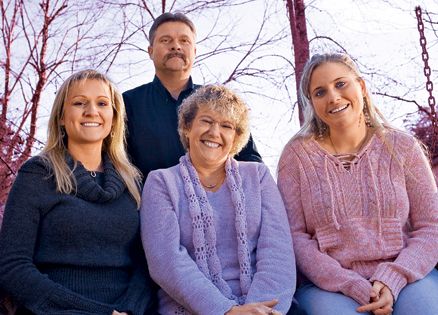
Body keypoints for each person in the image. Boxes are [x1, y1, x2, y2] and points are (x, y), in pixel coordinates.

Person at [277, 52, 438, 315]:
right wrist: (349, 283)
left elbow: (432, 226)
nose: (333, 97)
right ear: (312, 103)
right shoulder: (296, 157)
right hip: (331, 285)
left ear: (360, 86)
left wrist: (392, 277)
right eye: (320, 92)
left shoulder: (402, 146)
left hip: (407, 274)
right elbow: (296, 237)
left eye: (341, 84)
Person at [0, 70, 155, 314]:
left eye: (102, 103)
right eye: (79, 102)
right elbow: (12, 265)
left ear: (114, 118)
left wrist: (130, 310)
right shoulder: (38, 175)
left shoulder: (133, 182)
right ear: (62, 117)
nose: (91, 111)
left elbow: (146, 264)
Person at [141, 85, 296, 315]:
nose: (215, 132)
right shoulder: (161, 182)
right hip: (190, 308)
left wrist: (260, 309)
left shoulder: (258, 177)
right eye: (206, 121)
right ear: (187, 127)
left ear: (237, 137)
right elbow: (167, 262)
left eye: (226, 126)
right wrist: (226, 311)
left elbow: (278, 253)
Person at [122, 12, 262, 180]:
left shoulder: (219, 101)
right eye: (166, 40)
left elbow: (251, 161)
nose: (176, 46)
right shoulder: (127, 103)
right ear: (150, 51)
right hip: (149, 203)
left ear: (194, 51)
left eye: (184, 41)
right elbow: (116, 163)